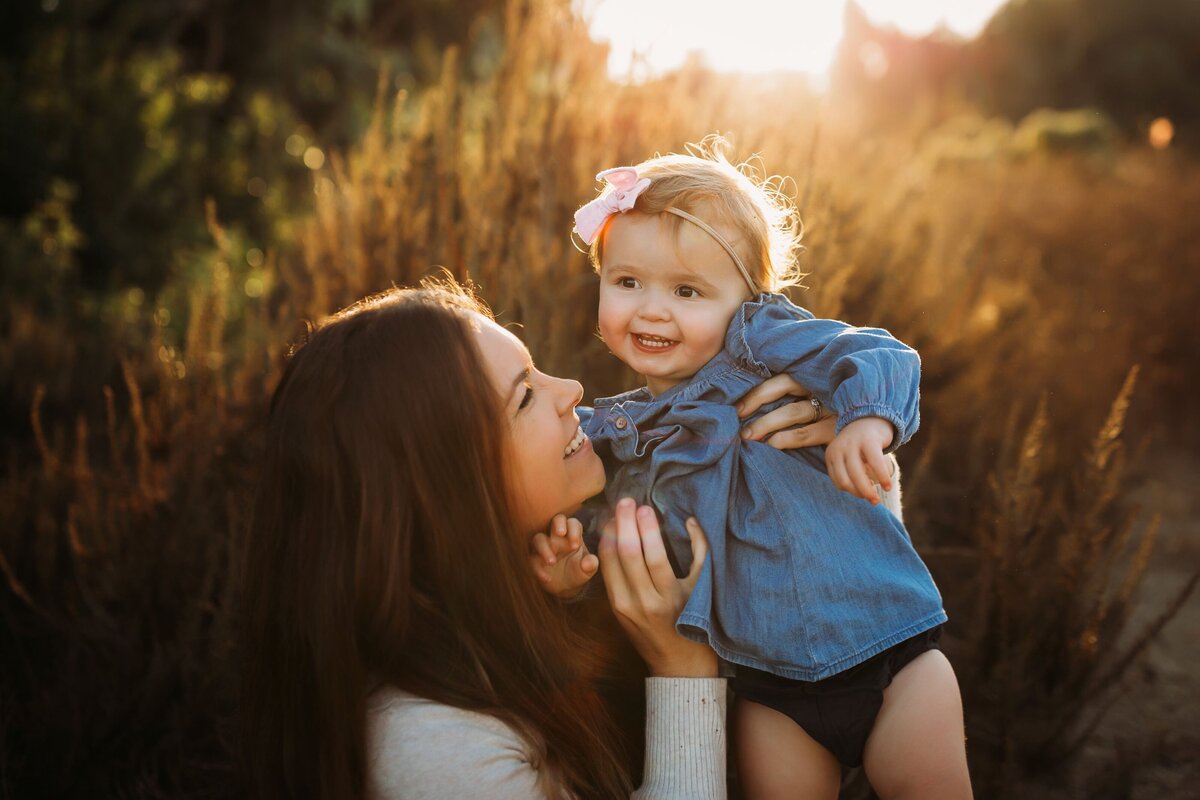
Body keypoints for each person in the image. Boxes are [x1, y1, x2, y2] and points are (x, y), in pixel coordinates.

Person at [238, 279, 835, 799]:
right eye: (524, 396)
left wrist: (819, 459)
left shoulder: (566, 566)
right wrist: (682, 673)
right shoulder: (432, 748)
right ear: (445, 490)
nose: (572, 388)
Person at [543, 139, 972, 799]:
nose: (652, 308)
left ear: (748, 299)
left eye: (687, 290)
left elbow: (879, 354)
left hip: (894, 657)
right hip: (769, 692)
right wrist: (579, 566)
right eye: (627, 282)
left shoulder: (758, 342)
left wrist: (865, 418)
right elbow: (642, 549)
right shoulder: (618, 435)